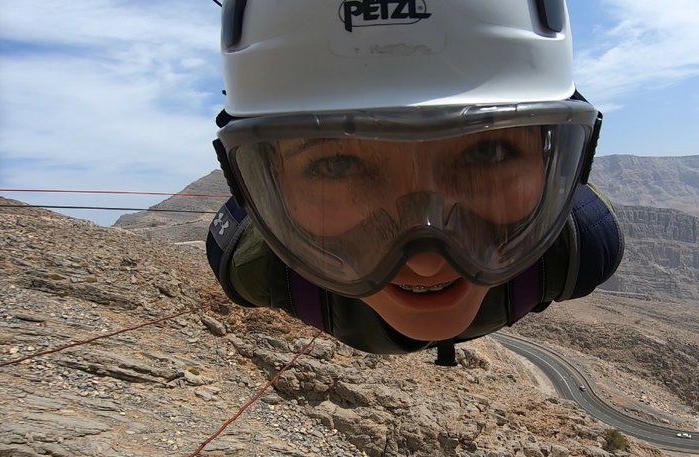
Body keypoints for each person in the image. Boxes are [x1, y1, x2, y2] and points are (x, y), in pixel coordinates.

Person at [206, 0, 623, 360]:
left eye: (487, 152)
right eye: (336, 165)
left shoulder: (582, 246)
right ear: (261, 191)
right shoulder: (249, 265)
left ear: (558, 171)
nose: (426, 263)